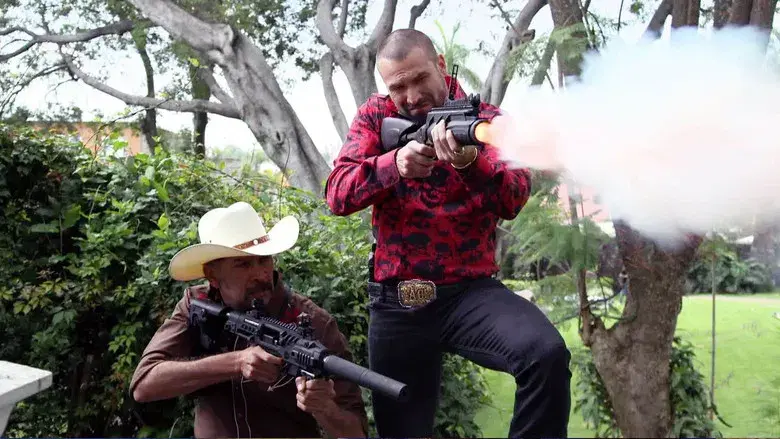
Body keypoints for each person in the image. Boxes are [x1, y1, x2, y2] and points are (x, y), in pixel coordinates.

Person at [325, 29, 572, 438]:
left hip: (470, 294)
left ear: (440, 65)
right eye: (398, 87)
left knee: (545, 354)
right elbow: (336, 193)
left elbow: (513, 199)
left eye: (419, 78)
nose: (411, 96)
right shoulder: (375, 115)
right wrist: (393, 165)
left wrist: (471, 164)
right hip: (399, 301)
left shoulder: (488, 121)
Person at [129, 201, 368, 438]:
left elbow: (356, 434)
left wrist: (326, 409)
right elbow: (144, 384)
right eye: (243, 264)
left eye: (264, 259)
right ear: (212, 275)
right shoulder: (198, 303)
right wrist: (235, 363)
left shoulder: (315, 323)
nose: (260, 274)